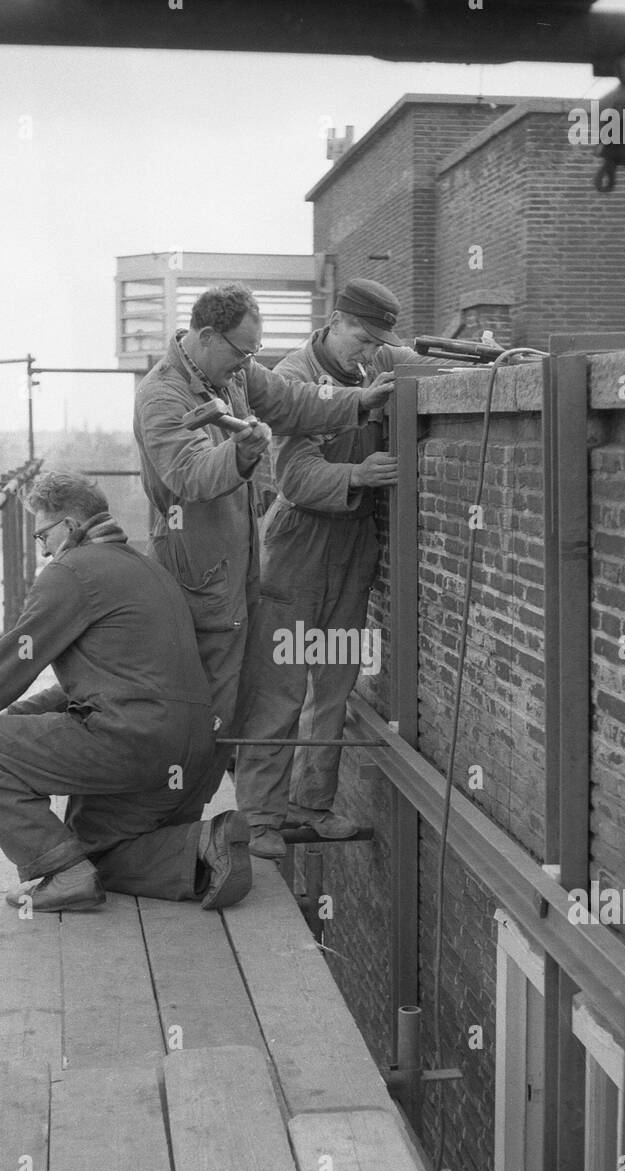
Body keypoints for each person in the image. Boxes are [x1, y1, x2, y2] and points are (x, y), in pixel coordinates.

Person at [0, 471, 250, 913]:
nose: (41, 547)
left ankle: (60, 873)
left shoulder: (71, 572)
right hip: (191, 750)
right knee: (92, 852)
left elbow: (13, 662)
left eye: (41, 534)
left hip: (133, 742)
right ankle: (207, 842)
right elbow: (109, 682)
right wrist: (15, 719)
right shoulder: (146, 566)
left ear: (69, 526)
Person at [134, 282, 396, 809]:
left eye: (254, 353)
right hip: (198, 573)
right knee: (209, 700)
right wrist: (243, 452)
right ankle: (186, 823)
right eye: (242, 352)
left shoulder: (229, 371)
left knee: (241, 697)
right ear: (207, 336)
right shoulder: (162, 395)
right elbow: (190, 475)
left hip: (239, 560)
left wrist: (358, 402)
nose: (249, 364)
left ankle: (228, 822)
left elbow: (289, 401)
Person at [236, 280, 422, 858]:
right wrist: (360, 476)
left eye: (377, 345)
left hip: (352, 547)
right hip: (299, 547)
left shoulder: (373, 362)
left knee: (333, 684)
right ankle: (262, 817)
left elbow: (428, 365)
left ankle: (311, 806)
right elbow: (293, 477)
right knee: (282, 687)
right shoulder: (291, 382)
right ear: (335, 322)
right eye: (362, 340)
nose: (368, 354)